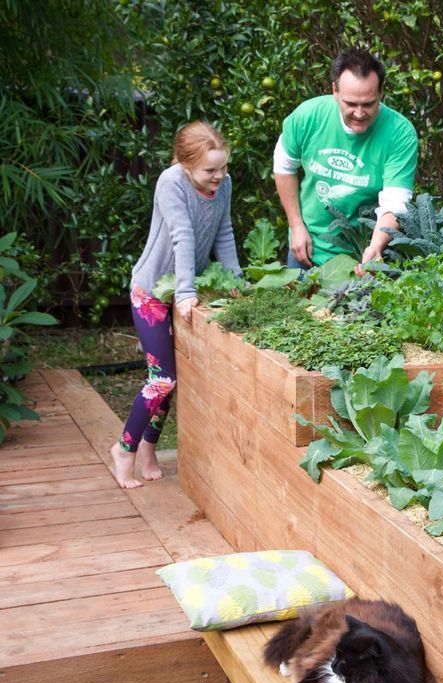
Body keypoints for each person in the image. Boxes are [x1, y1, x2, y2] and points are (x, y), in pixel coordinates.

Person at [110, 121, 242, 489]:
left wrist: (236, 282)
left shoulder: (223, 184)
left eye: (223, 167)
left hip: (182, 292)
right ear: (186, 165)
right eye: (210, 170)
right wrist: (184, 293)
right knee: (162, 379)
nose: (219, 176)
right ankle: (124, 449)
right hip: (153, 292)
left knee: (174, 379)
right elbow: (183, 235)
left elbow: (225, 231)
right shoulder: (171, 183)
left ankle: (150, 447)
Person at [273, 48, 418, 275]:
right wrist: (295, 224)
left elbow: (395, 203)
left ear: (381, 93)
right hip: (306, 247)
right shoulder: (307, 116)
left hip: (360, 255)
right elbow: (283, 166)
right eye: (351, 103)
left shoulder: (400, 133)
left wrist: (375, 246)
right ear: (335, 91)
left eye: (368, 104)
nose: (359, 113)